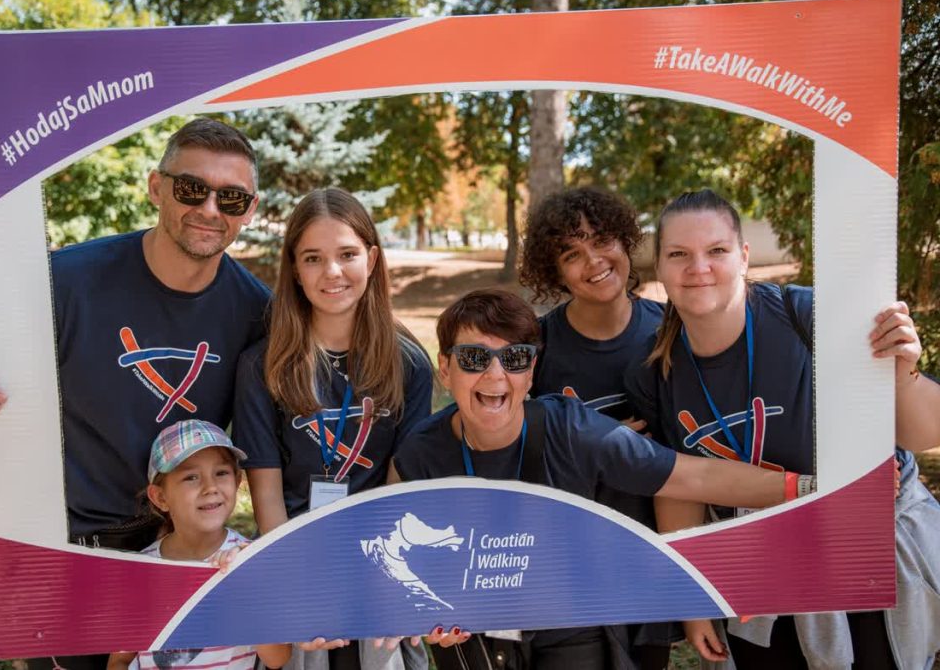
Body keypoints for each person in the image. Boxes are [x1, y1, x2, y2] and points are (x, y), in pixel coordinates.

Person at [0, 118, 272, 669]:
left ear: (249, 210)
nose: (210, 209)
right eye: (192, 189)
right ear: (156, 187)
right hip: (71, 550)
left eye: (230, 198)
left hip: (179, 552)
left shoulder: (258, 312)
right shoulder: (66, 280)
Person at [389, 288, 816, 670]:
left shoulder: (571, 431)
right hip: (476, 636)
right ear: (445, 368)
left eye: (514, 358)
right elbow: (391, 560)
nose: (495, 375)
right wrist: (426, 609)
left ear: (531, 371)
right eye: (474, 358)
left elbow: (693, 476)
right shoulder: (419, 456)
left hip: (569, 625)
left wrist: (807, 490)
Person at [623, 189, 940, 670]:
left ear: (744, 256)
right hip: (757, 560)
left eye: (716, 250)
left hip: (862, 543)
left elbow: (923, 435)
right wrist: (691, 600)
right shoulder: (653, 371)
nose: (698, 268)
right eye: (679, 255)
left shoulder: (808, 316)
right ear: (660, 268)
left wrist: (903, 373)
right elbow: (679, 485)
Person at [232, 187, 434, 670]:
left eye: (347, 254)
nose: (332, 272)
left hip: (378, 562)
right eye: (313, 258)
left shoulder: (409, 364)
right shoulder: (262, 366)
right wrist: (294, 585)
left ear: (372, 259)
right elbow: (266, 494)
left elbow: (401, 485)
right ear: (294, 270)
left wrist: (386, 578)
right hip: (296, 558)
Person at [520, 186, 672, 669]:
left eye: (602, 240)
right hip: (572, 556)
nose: (593, 261)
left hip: (652, 545)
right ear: (554, 271)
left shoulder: (671, 330)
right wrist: (599, 449)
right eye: (572, 254)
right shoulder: (538, 346)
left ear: (626, 241)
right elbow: (516, 450)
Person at [107, 419, 293, 670]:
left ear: (237, 480)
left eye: (221, 473)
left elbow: (277, 658)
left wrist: (246, 592)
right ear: (160, 497)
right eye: (191, 477)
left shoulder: (249, 560)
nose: (210, 487)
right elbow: (120, 660)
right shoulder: (139, 571)